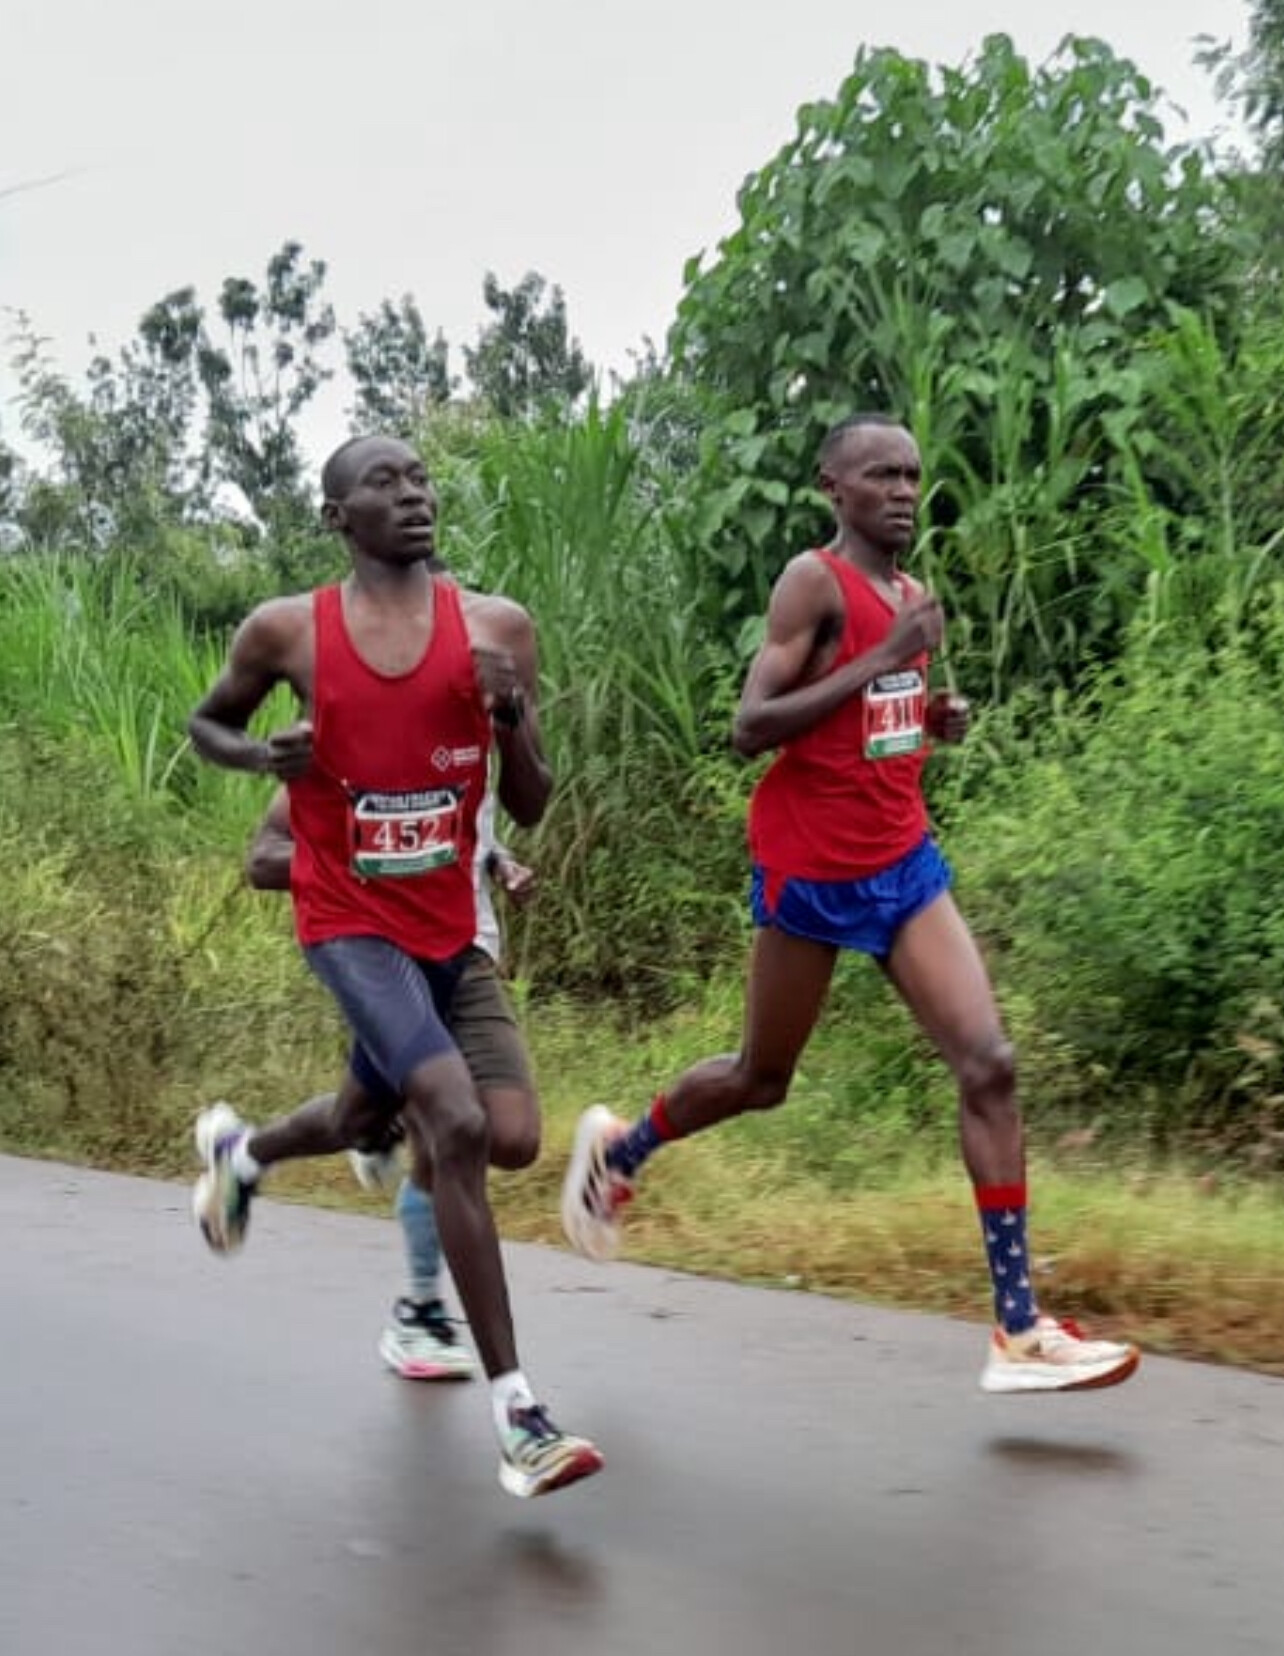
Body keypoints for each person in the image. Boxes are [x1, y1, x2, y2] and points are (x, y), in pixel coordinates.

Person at [560, 412, 1141, 1396]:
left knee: (990, 1065)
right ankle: (623, 1148)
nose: (904, 491)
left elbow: (869, 725)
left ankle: (1017, 1328)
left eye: (912, 474)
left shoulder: (910, 596)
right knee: (761, 1078)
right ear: (834, 486)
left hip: (903, 862)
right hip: (812, 874)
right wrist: (883, 661)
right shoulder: (813, 581)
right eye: (881, 475)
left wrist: (926, 715)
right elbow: (752, 727)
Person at [188, 432, 603, 1498]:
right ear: (338, 517)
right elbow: (208, 724)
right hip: (348, 924)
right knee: (453, 1123)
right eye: (385, 482)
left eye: (420, 478)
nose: (414, 494)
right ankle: (519, 1417)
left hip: (448, 931)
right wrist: (262, 753)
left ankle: (244, 1154)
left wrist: (510, 718)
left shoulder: (499, 628)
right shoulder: (288, 631)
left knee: (452, 1127)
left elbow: (531, 801)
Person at [245, 782, 538, 1384]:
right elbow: (265, 858)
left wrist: (498, 861)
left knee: (510, 1137)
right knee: (450, 1121)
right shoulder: (350, 738)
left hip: (467, 953)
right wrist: (367, 860)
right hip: (383, 957)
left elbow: (471, 828)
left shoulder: (476, 739)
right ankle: (421, 1314)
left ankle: (254, 1149)